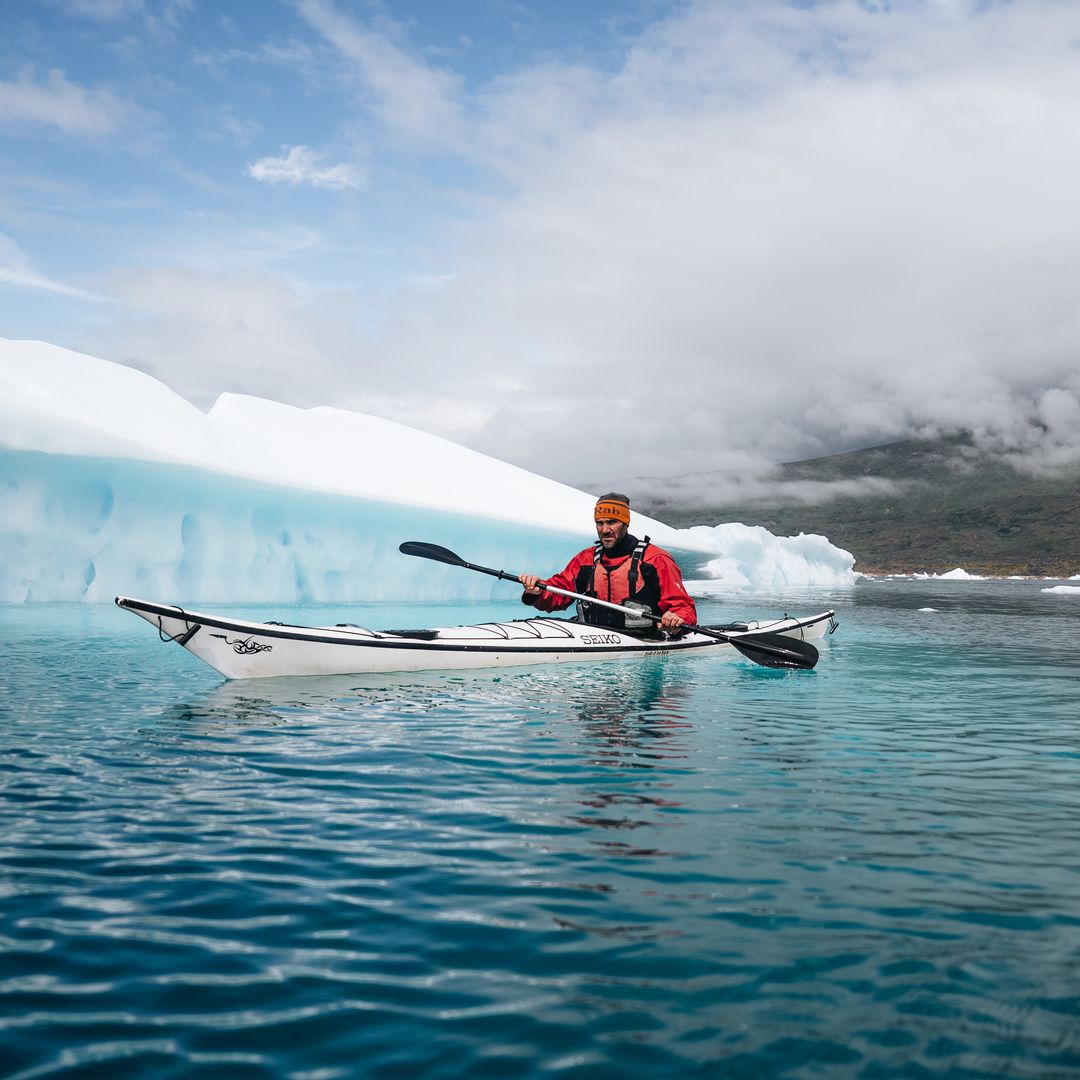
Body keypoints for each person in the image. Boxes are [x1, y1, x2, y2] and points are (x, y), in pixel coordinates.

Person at [518, 492, 697, 635]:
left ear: (625, 523)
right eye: (599, 523)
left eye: (612, 522)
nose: (604, 530)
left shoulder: (655, 559)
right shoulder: (586, 559)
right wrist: (537, 592)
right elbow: (559, 592)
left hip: (645, 640)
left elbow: (682, 606)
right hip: (593, 637)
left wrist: (676, 620)